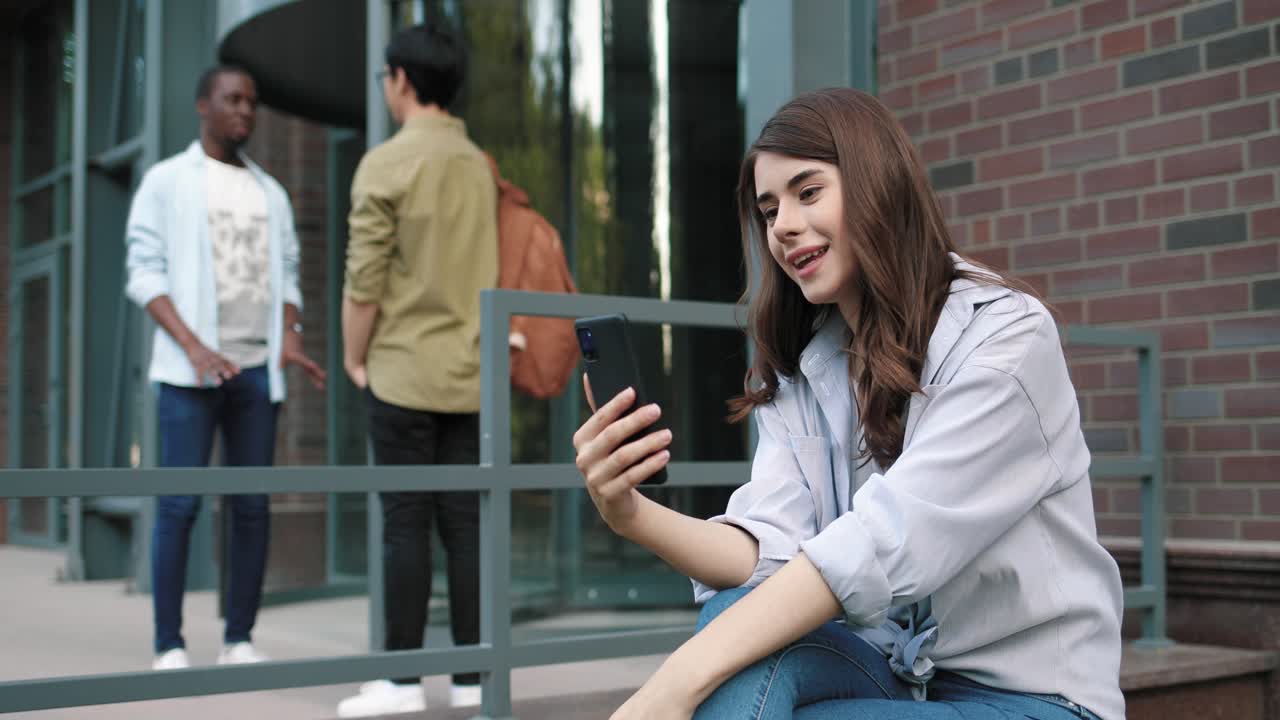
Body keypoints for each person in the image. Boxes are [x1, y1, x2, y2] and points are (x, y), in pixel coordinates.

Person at [572, 87, 1125, 720]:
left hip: (1036, 701)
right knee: (737, 624)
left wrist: (671, 686)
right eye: (769, 208)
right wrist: (628, 513)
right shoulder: (810, 364)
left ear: (878, 185)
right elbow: (769, 555)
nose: (781, 225)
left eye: (809, 193)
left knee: (732, 674)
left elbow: (882, 545)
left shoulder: (1005, 340)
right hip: (899, 679)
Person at [124, 64, 326, 671]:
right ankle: (169, 644)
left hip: (258, 373)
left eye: (252, 102)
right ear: (202, 106)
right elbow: (144, 271)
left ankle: (239, 639)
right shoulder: (167, 182)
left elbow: (288, 272)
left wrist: (288, 338)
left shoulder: (271, 193)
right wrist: (193, 346)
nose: (246, 111)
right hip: (189, 376)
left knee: (252, 507)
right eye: (233, 100)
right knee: (180, 505)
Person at [336, 23, 497, 719]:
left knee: (405, 522)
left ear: (401, 77)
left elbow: (363, 279)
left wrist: (352, 355)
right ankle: (470, 677)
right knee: (464, 525)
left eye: (384, 76)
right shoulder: (477, 164)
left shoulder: (387, 163)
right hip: (470, 372)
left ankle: (401, 681)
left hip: (402, 370)